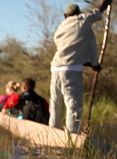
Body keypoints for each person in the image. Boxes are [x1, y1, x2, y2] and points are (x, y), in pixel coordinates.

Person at [48, 0, 112, 133]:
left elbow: (71, 52)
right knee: (73, 105)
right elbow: (101, 8)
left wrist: (92, 65)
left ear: (65, 15)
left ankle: (53, 133)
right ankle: (72, 136)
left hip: (55, 68)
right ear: (78, 13)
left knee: (55, 105)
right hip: (71, 71)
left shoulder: (60, 27)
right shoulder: (82, 19)